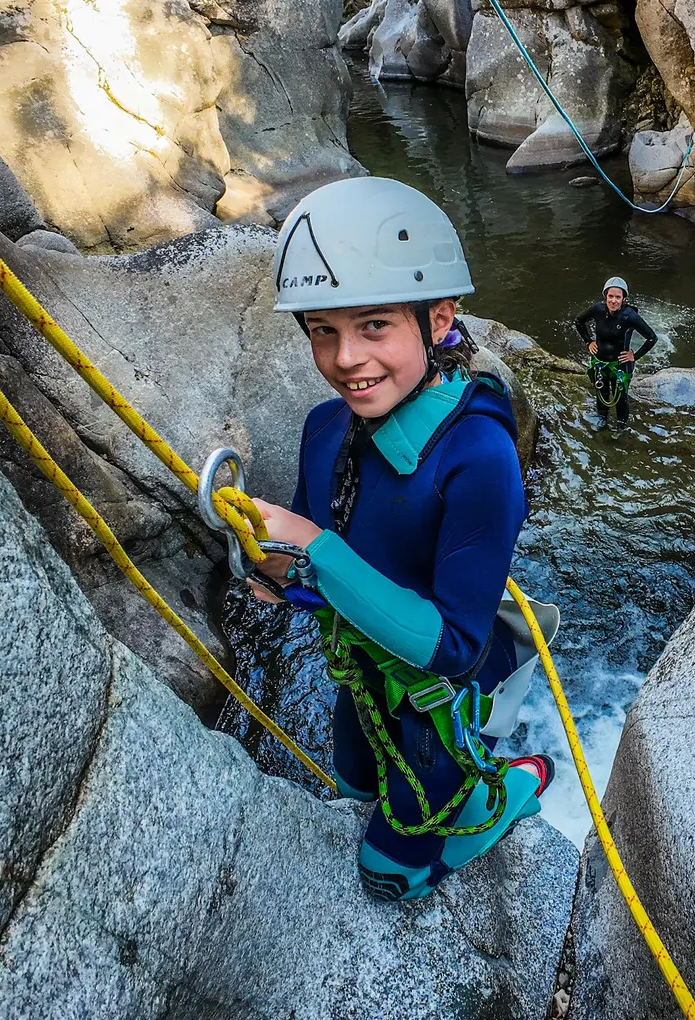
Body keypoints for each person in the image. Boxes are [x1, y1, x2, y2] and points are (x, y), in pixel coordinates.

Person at [244, 175, 555, 902]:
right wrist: (272, 568)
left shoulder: (480, 457)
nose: (346, 358)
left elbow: (453, 645)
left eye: (374, 326)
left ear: (439, 320)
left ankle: (503, 793)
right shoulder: (325, 429)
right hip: (363, 675)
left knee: (390, 875)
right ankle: (478, 784)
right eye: (323, 331)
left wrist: (311, 549)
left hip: (436, 698)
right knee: (353, 786)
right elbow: (313, 569)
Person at [575, 276, 659, 425]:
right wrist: (589, 342)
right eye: (610, 296)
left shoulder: (629, 316)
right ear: (605, 296)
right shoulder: (598, 309)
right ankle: (602, 421)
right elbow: (579, 321)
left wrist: (634, 356)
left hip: (620, 365)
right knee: (601, 392)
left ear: (623, 299)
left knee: (620, 398)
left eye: (618, 297)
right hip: (600, 362)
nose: (613, 301)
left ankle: (621, 426)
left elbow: (652, 338)